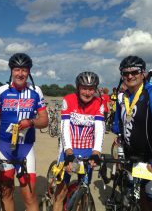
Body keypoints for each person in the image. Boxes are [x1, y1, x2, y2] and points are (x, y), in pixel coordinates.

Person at [0, 53, 48, 211]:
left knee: (29, 195)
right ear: (11, 71)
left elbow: (44, 121)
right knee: (6, 193)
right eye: (17, 69)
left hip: (25, 149)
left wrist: (31, 122)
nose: (20, 73)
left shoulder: (36, 91)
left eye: (24, 70)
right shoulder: (1, 91)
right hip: (4, 148)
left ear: (29, 72)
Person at [113, 56, 152, 211]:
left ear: (143, 73)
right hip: (132, 156)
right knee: (142, 200)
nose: (130, 76)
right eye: (125, 73)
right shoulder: (122, 97)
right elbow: (119, 126)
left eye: (135, 72)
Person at [53, 71, 105, 211]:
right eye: (84, 88)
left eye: (91, 89)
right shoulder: (69, 99)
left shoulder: (98, 102)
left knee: (84, 189)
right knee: (61, 192)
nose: (88, 92)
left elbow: (100, 128)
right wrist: (68, 152)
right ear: (78, 88)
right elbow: (64, 128)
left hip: (88, 150)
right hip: (68, 149)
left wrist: (96, 152)